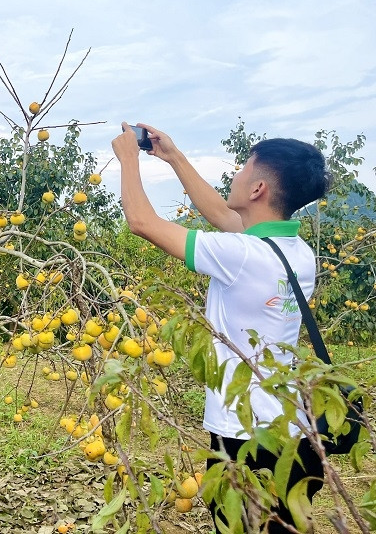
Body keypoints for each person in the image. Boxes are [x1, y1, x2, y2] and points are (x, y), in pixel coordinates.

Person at [111, 122, 331, 533]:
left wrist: (127, 158)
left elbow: (141, 221)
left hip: (246, 434)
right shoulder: (297, 253)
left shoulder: (243, 255)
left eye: (244, 167)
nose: (235, 174)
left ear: (258, 189)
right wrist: (173, 156)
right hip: (295, 430)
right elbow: (221, 215)